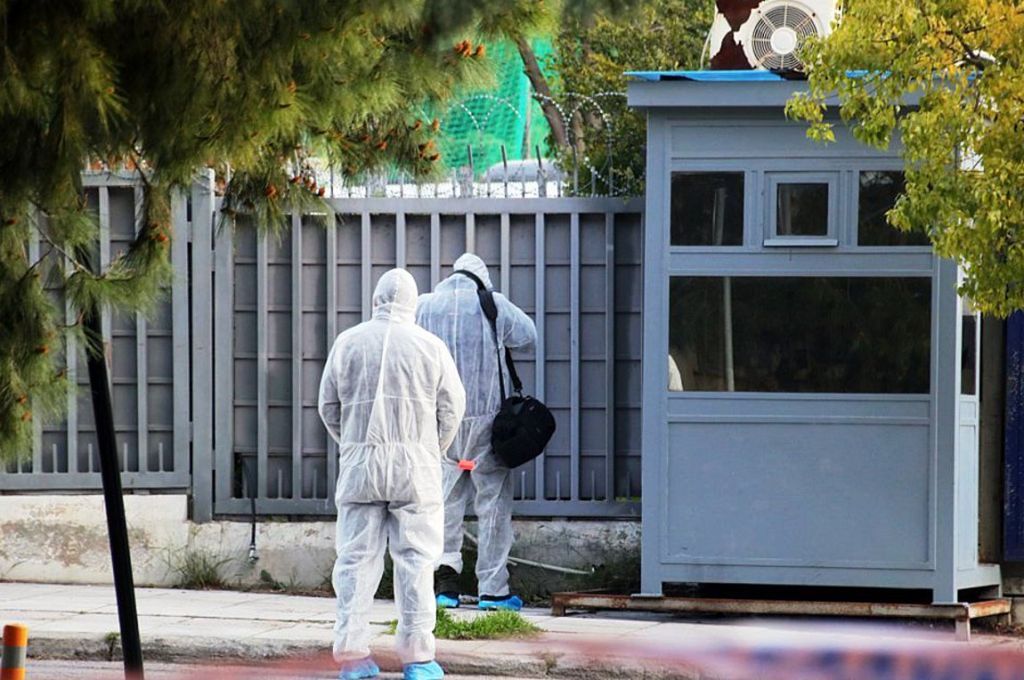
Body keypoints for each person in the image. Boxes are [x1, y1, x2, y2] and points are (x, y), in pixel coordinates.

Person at [318, 268, 466, 680]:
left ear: (376, 300)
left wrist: (354, 444)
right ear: (414, 304)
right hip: (415, 469)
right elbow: (453, 408)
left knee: (355, 561)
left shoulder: (347, 342)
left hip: (361, 467)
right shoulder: (430, 346)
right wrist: (432, 449)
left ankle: (351, 655)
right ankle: (418, 658)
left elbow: (328, 406)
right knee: (417, 561)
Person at [416, 253, 537, 611]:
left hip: (442, 424)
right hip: (487, 425)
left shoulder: (424, 306)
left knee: (444, 504)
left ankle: (445, 587)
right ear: (480, 280)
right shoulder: (491, 303)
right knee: (493, 505)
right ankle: (493, 591)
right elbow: (528, 337)